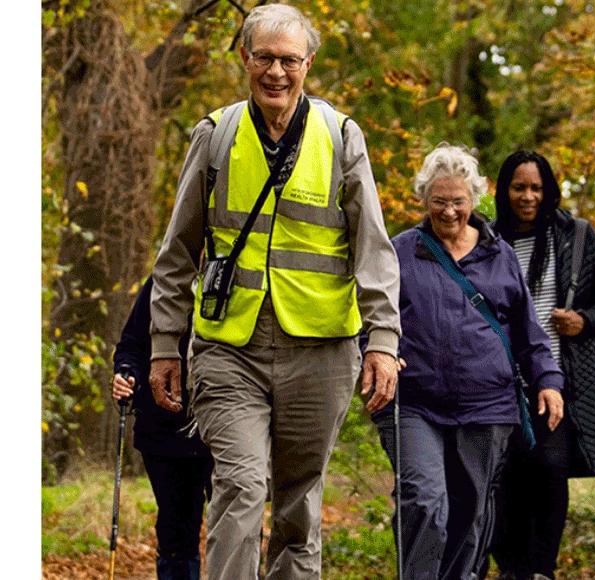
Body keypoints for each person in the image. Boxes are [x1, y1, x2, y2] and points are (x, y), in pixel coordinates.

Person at [147, 5, 401, 578]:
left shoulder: (341, 136)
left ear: (309, 63)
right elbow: (177, 250)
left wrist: (383, 339)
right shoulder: (215, 136)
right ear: (244, 58)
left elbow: (374, 250)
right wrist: (165, 343)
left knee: (298, 503)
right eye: (264, 58)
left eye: (289, 60)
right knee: (240, 483)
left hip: (321, 351)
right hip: (228, 348)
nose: (276, 72)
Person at [374, 144, 565, 580]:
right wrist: (378, 352)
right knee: (424, 499)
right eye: (438, 202)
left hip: (487, 405)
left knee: (471, 513)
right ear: (424, 200)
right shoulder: (401, 252)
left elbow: (527, 331)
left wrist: (549, 381)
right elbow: (371, 316)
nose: (448, 212)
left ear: (475, 199)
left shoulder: (500, 256)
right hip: (415, 402)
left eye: (458, 202)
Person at [487, 151, 595, 580]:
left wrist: (585, 321)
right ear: (504, 190)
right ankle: (512, 567)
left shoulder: (577, 236)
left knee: (549, 469)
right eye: (519, 187)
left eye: (536, 188)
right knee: (505, 475)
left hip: (560, 379)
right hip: (498, 381)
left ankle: (542, 569)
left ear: (548, 191)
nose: (528, 196)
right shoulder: (487, 240)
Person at [112, 276, 212, 580]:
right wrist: (126, 374)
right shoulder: (161, 283)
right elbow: (131, 345)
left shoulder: (243, 275)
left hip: (225, 424)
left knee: (237, 520)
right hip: (164, 430)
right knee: (175, 528)